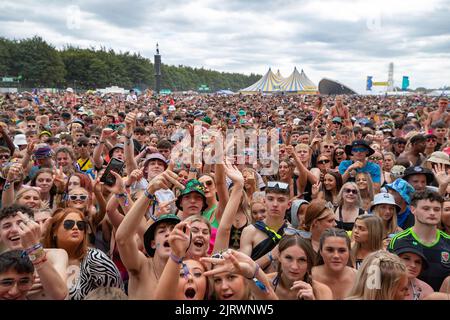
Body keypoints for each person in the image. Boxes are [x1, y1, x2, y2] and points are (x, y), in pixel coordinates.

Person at [42, 207, 123, 299]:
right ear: (54, 231)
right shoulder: (42, 258)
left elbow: (117, 293)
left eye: (80, 225)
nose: (76, 228)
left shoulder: (95, 258)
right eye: (69, 224)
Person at [0, 204, 68, 300]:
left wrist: (33, 248)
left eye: (21, 224)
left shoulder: (55, 255)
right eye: (7, 226)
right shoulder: (1, 259)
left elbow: (59, 294)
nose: (15, 230)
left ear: (33, 226)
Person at [389, 190, 450, 291]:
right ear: (413, 209)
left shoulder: (448, 241)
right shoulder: (399, 240)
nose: (432, 213)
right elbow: (388, 277)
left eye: (437, 209)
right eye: (426, 208)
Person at [267, 235, 333, 300]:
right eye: (288, 258)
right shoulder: (265, 283)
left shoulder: (322, 291)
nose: (294, 267)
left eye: (302, 260)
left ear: (309, 263)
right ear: (279, 256)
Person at [240, 181, 291, 262]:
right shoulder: (249, 231)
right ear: (264, 201)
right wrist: (270, 255)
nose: (275, 204)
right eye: (270, 199)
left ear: (288, 205)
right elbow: (243, 269)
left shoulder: (291, 233)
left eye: (281, 200)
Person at [312, 228, 357, 300]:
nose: (336, 255)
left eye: (342, 251)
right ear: (321, 251)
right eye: (330, 250)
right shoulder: (309, 277)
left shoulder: (358, 278)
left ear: (349, 252)